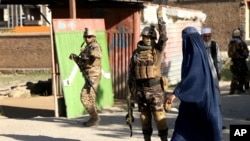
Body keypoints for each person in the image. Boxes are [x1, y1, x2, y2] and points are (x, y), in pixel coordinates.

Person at [167, 26, 222, 141]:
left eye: (184, 39)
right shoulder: (199, 51)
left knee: (184, 133)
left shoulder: (195, 54)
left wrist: (176, 92)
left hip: (197, 102)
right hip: (200, 100)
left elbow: (193, 76)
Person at [127, 6, 169, 141]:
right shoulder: (136, 53)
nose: (147, 39)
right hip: (141, 90)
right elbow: (131, 73)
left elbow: (163, 37)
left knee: (159, 117)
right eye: (145, 36)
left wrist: (160, 19)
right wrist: (130, 92)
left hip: (155, 90)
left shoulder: (156, 51)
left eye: (150, 37)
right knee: (144, 117)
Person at [69, 28, 102, 127]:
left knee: (84, 97)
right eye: (86, 37)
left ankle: (95, 118)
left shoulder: (95, 46)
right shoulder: (87, 47)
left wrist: (90, 53)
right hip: (88, 76)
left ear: (94, 37)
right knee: (90, 99)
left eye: (89, 37)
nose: (87, 39)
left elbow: (98, 54)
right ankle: (94, 118)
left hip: (93, 76)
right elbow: (82, 63)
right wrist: (75, 58)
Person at [228, 28, 249, 94]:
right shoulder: (240, 43)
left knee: (235, 76)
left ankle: (233, 89)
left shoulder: (231, 43)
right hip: (241, 61)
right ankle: (245, 89)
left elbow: (230, 53)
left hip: (234, 61)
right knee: (245, 74)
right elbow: (245, 53)